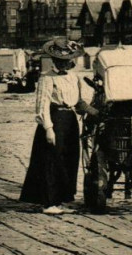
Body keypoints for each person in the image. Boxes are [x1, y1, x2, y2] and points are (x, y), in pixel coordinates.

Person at [20, 39, 91, 215]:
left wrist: (95, 112)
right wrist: (48, 128)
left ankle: (61, 199)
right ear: (54, 61)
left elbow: (79, 102)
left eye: (67, 61)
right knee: (51, 160)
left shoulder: (74, 78)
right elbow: (42, 104)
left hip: (70, 121)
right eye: (60, 61)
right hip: (55, 119)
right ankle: (49, 202)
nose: (64, 64)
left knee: (68, 160)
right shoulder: (46, 78)